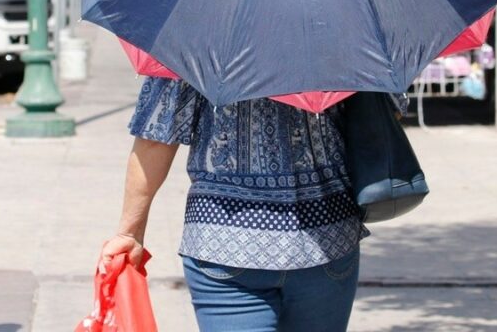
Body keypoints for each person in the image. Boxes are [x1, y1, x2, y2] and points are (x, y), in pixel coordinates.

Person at [100, 77, 368, 332]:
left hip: (224, 237)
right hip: (325, 234)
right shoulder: (341, 35)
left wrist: (130, 232)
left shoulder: (195, 35)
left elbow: (157, 135)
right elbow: (385, 114)